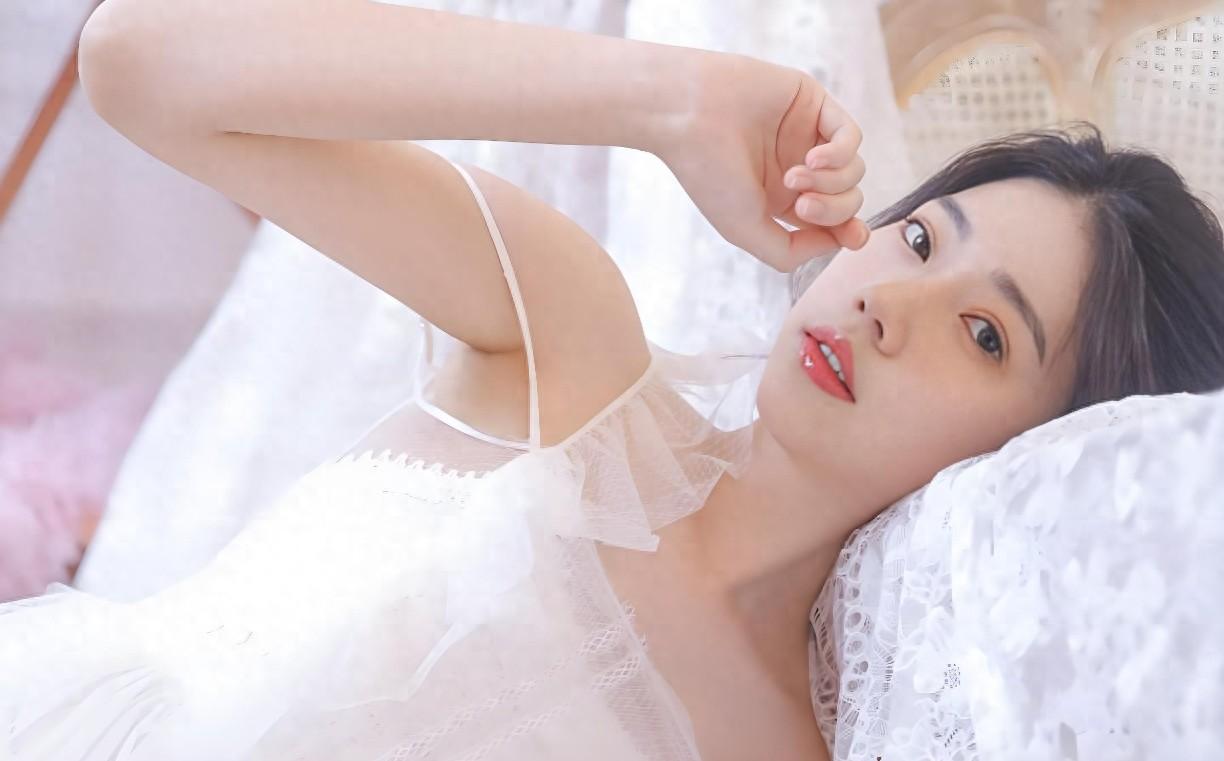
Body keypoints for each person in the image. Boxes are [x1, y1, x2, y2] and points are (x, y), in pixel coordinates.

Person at [3, 1, 1222, 760]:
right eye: (918, 236)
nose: (888, 304)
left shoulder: (784, 746)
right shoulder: (571, 350)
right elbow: (136, 58)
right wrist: (674, 101)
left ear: (1037, 457)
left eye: (986, 334)